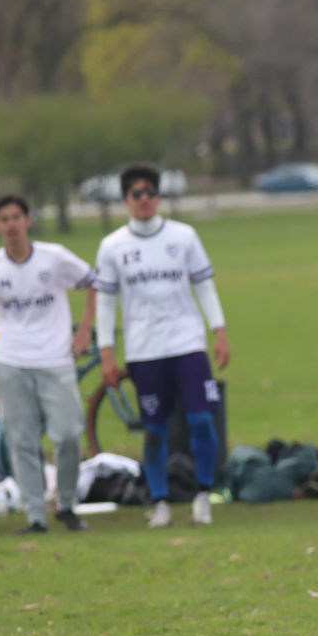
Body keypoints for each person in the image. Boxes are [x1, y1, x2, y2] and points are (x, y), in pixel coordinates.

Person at [95, 163, 228, 529]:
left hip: (187, 342)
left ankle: (203, 495)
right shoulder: (112, 247)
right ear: (125, 200)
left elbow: (204, 285)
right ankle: (160, 501)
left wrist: (219, 330)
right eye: (137, 193)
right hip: (144, 349)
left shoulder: (184, 236)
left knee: (201, 420)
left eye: (151, 192)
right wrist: (106, 351)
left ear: (159, 197)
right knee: (154, 430)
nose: (145, 199)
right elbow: (105, 302)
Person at [0, 194, 96, 534]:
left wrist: (84, 330)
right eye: (4, 219)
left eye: (16, 217)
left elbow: (93, 283)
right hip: (11, 361)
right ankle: (35, 514)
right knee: (21, 440)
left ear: (28, 220)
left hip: (55, 358)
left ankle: (66, 504)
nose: (12, 225)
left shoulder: (54, 257)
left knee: (68, 434)